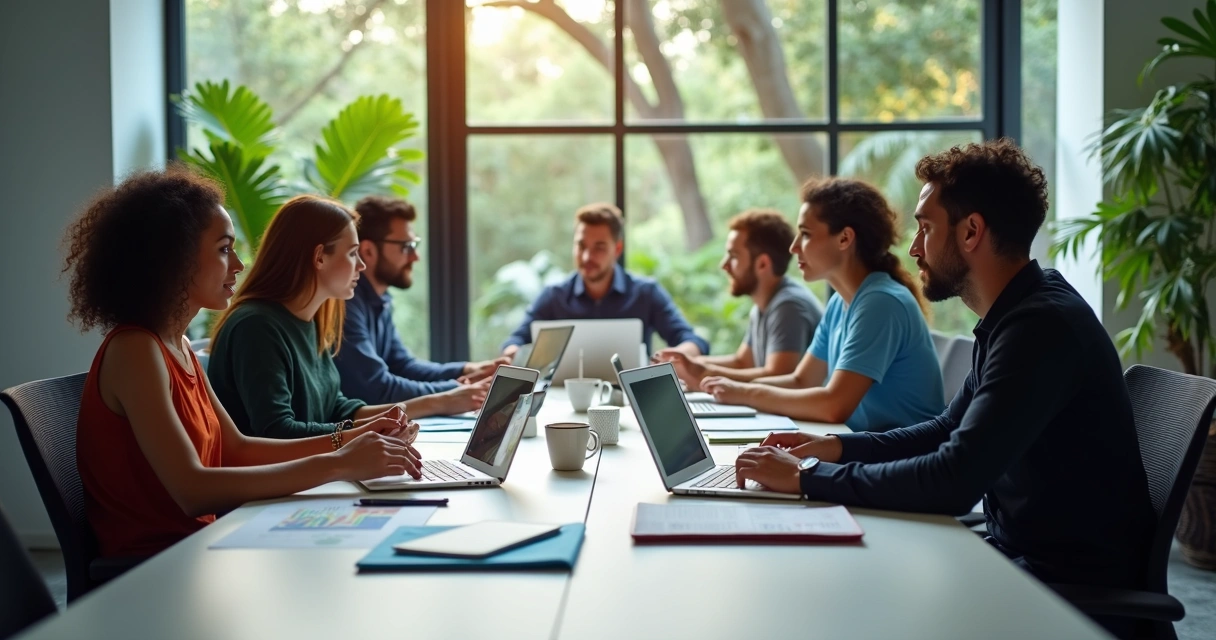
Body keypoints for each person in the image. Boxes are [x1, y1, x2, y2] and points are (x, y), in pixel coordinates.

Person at [734, 140, 1155, 608]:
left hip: (1060, 591)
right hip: (1016, 561)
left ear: (971, 231)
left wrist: (809, 478)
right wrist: (831, 448)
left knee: (846, 594)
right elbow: (946, 430)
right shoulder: (1013, 317)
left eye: (925, 227)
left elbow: (953, 480)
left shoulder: (1041, 328)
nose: (914, 247)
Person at [65, 169, 422, 558]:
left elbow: (238, 449)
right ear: (175, 257)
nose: (237, 264)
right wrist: (339, 464)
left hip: (206, 543)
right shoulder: (136, 351)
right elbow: (192, 491)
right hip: (159, 565)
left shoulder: (176, 345)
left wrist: (354, 440)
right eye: (223, 249)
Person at [701, 179, 944, 432]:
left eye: (805, 234)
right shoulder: (841, 302)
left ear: (844, 239)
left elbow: (833, 406)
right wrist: (734, 390)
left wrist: (744, 394)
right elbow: (802, 380)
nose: (794, 247)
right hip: (866, 449)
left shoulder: (881, 303)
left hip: (903, 459)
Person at [207, 195, 440, 439]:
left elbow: (336, 408)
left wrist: (387, 422)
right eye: (352, 254)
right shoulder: (256, 327)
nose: (361, 265)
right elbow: (278, 430)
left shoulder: (312, 322)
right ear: (319, 257)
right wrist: (363, 434)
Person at [333, 195, 506, 409]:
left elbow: (402, 366)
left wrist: (467, 371)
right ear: (368, 251)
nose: (415, 257)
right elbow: (375, 389)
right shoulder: (345, 303)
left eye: (415, 245)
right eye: (406, 246)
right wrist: (454, 391)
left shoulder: (378, 300)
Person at [499, 203, 709, 358]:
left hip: (627, 400)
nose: (587, 257)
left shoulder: (646, 293)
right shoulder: (554, 295)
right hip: (562, 400)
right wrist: (512, 354)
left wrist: (672, 359)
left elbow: (692, 341)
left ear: (617, 249)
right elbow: (515, 341)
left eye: (599, 247)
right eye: (581, 246)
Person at [653, 209, 823, 389]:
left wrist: (704, 371)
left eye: (733, 256)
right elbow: (742, 362)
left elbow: (778, 376)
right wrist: (689, 363)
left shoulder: (789, 306)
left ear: (763, 264)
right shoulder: (764, 305)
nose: (724, 265)